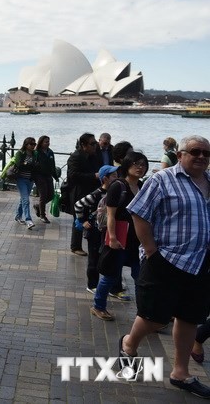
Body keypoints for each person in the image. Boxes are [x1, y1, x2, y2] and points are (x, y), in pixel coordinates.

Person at [120, 135, 210, 399]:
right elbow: (138, 212)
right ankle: (129, 343)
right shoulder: (163, 179)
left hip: (201, 263)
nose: (202, 157)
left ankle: (180, 372)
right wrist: (151, 251)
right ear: (180, 154)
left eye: (207, 153)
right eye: (195, 152)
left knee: (189, 317)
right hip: (166, 260)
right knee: (154, 317)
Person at [91, 151, 148, 321]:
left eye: (143, 165)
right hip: (120, 237)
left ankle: (144, 314)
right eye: (136, 164)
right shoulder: (118, 186)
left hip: (137, 240)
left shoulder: (142, 186)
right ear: (127, 166)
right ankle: (98, 306)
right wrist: (113, 237)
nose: (140, 167)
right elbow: (111, 215)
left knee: (140, 277)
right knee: (110, 275)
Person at [74, 165, 119, 294]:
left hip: (107, 230)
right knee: (93, 258)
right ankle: (92, 285)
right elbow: (78, 205)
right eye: (114, 176)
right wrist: (83, 221)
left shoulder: (114, 192)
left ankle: (112, 285)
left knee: (107, 258)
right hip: (94, 230)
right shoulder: (96, 194)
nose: (117, 178)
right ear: (105, 178)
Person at [66, 133, 103, 256]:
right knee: (79, 217)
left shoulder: (96, 155)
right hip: (79, 192)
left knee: (93, 216)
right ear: (83, 145)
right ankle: (75, 246)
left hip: (94, 191)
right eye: (92, 144)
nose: (95, 146)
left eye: (95, 143)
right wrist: (94, 176)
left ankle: (94, 244)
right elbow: (73, 175)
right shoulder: (75, 157)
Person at [13, 137, 38, 230]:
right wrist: (29, 165)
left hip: (30, 180)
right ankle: (28, 220)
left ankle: (18, 216)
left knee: (23, 199)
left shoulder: (35, 154)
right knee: (26, 199)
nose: (33, 146)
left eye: (34, 144)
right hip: (21, 179)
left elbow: (35, 166)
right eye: (31, 144)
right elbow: (19, 164)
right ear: (26, 145)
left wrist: (27, 164)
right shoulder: (20, 153)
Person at [33, 135, 58, 223]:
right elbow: (33, 165)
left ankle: (38, 206)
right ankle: (42, 215)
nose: (48, 143)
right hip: (39, 176)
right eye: (46, 142)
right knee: (43, 196)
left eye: (48, 141)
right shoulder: (36, 152)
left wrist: (55, 176)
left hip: (48, 176)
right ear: (41, 143)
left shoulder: (50, 152)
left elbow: (53, 165)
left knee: (51, 195)